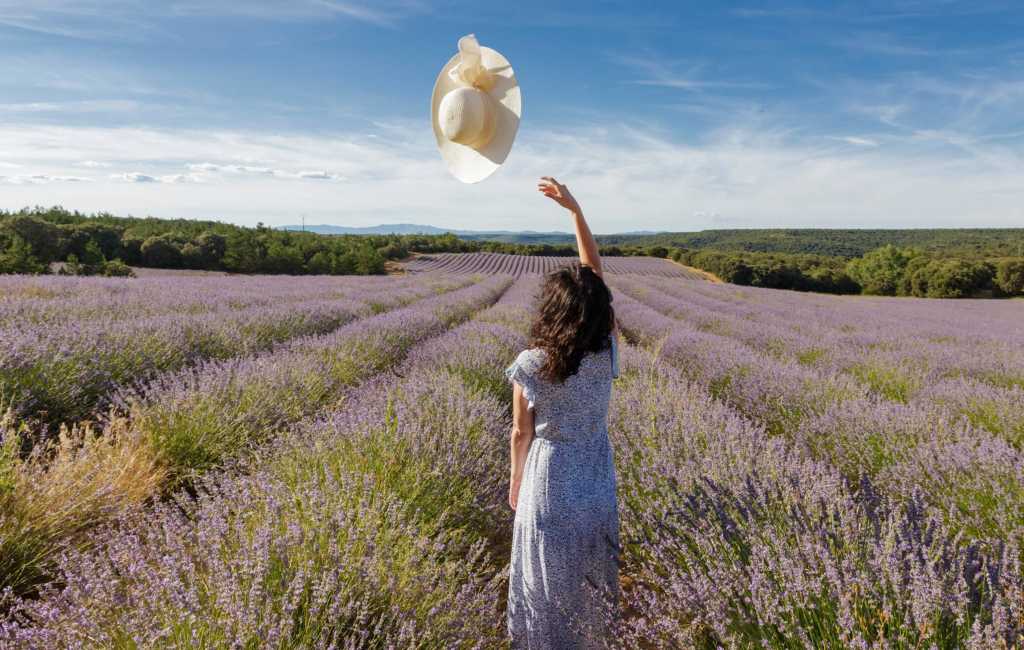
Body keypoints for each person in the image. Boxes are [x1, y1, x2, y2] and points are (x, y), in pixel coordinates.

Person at [505, 177, 621, 648]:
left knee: (543, 584)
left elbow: (519, 434)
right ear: (599, 314)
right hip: (595, 476)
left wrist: (516, 485)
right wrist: (575, 211)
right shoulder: (605, 353)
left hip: (548, 479)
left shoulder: (531, 364)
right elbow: (595, 278)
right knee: (592, 579)